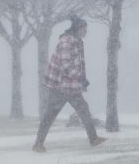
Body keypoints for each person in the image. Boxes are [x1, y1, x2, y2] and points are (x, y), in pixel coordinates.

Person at [32, 15, 107, 153]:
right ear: (78, 28)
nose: (86, 31)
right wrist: (79, 78)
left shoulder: (76, 41)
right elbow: (66, 65)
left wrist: (81, 78)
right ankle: (38, 144)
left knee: (83, 109)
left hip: (70, 86)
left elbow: (77, 64)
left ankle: (93, 138)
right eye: (85, 28)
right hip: (61, 86)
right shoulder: (67, 42)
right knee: (51, 115)